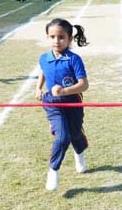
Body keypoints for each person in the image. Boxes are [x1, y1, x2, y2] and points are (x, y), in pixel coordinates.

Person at [35, 18, 89, 191]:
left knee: (75, 134)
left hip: (72, 102)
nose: (56, 41)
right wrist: (38, 88)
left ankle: (80, 153)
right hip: (52, 103)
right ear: (47, 37)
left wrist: (65, 91)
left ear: (69, 39)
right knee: (62, 137)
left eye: (61, 37)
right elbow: (43, 71)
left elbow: (84, 85)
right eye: (52, 37)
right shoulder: (44, 58)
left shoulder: (74, 59)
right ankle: (53, 170)